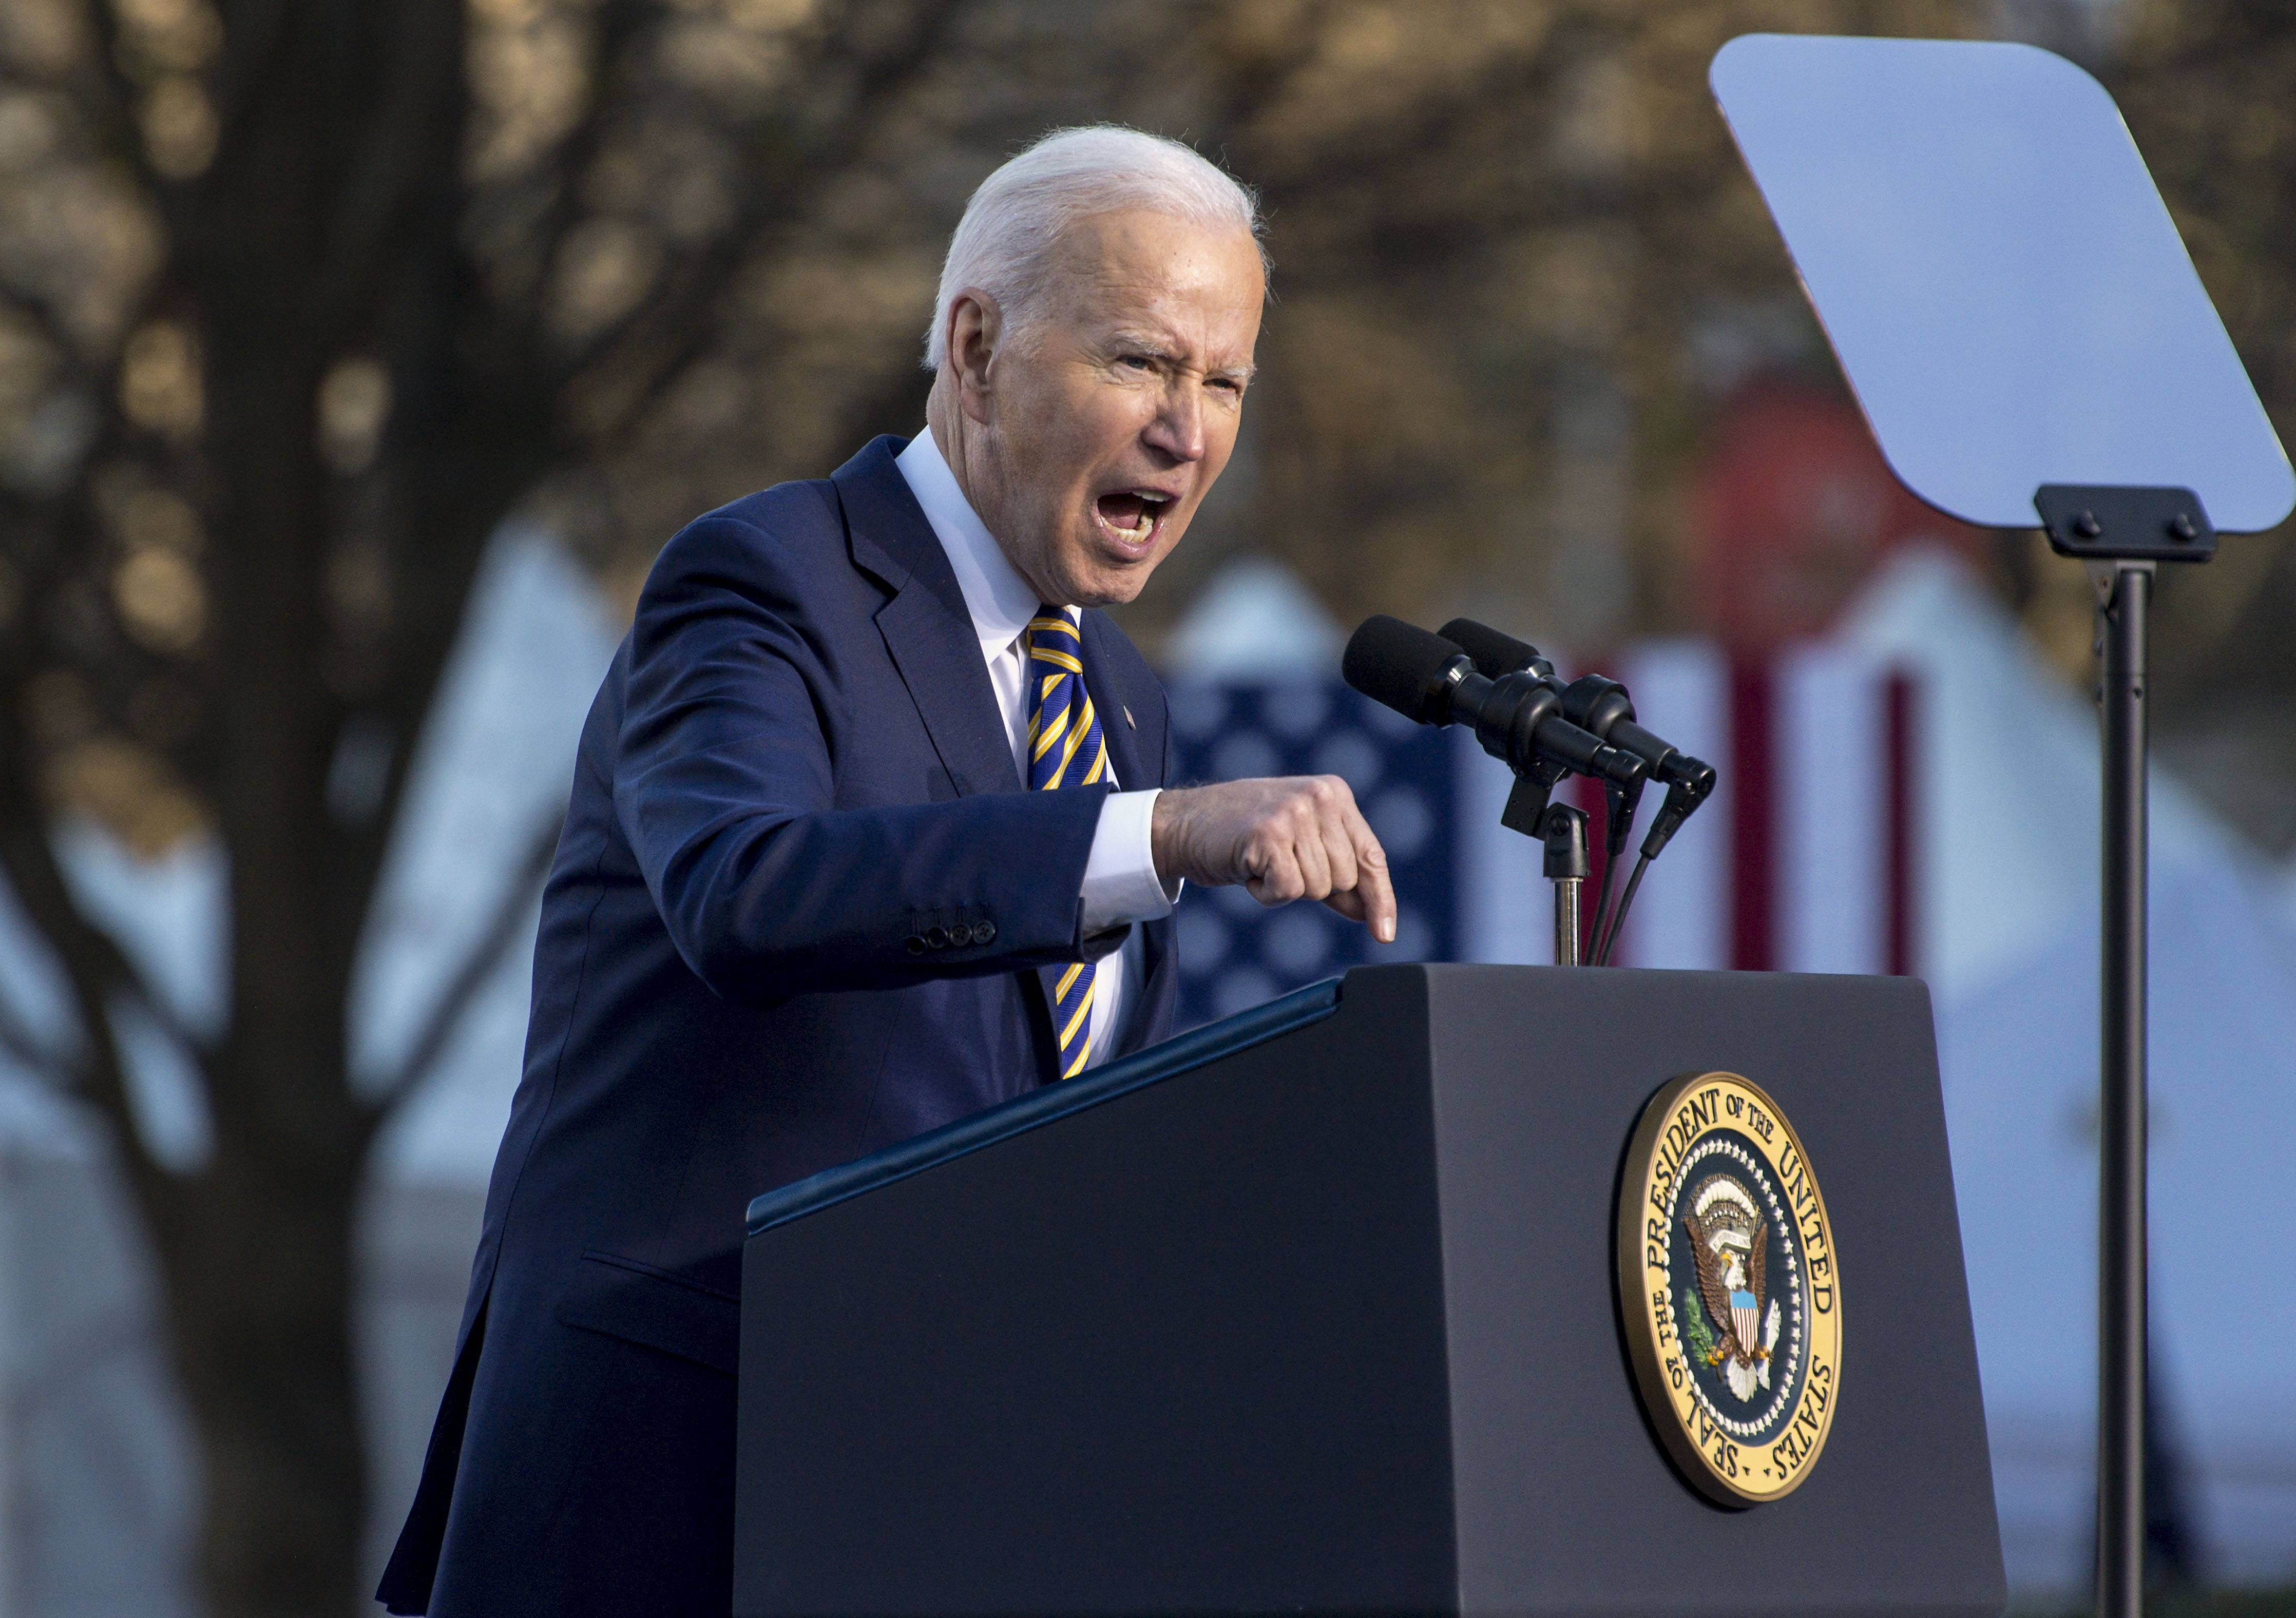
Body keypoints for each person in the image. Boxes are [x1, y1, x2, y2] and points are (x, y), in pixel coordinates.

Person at [377, 124, 1393, 1616]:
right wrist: (1159, 833)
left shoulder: (1121, 698)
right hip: (672, 1489)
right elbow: (749, 888)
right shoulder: (762, 581)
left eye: (1224, 380)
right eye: (1140, 363)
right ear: (975, 348)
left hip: (931, 1494)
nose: (1189, 431)